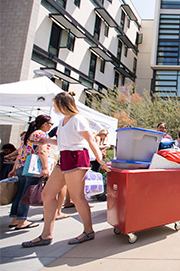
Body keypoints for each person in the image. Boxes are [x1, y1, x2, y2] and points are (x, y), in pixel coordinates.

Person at [22, 91, 110, 248]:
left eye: (55, 103)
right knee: (47, 194)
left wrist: (100, 160)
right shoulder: (63, 120)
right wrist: (46, 140)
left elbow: (90, 141)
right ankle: (46, 235)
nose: (53, 106)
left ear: (62, 104)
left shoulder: (78, 119)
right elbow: (64, 141)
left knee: (77, 198)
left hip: (77, 158)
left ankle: (88, 231)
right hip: (64, 158)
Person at [8, 115, 53, 229]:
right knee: (27, 193)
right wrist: (45, 167)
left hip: (21, 165)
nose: (51, 127)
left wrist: (14, 169)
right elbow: (42, 152)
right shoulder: (41, 134)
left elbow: (20, 152)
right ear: (44, 124)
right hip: (33, 167)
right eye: (50, 124)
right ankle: (22, 220)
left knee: (20, 192)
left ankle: (15, 219)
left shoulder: (27, 135)